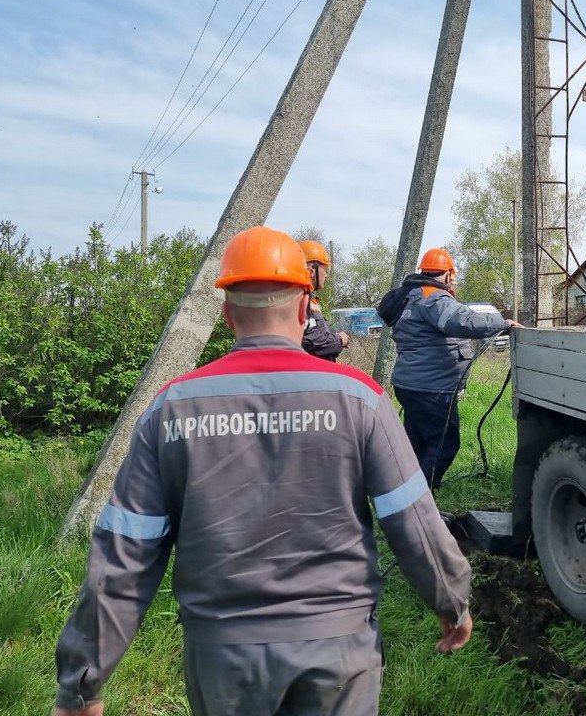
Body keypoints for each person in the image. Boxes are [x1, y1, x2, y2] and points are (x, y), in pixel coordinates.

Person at [52, 226, 473, 716]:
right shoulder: (360, 399)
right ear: (303, 308)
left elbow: (124, 553)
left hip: (222, 655)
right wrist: (450, 599)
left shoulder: (171, 409)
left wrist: (84, 679)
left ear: (228, 313)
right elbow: (412, 515)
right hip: (338, 651)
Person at [377, 248, 518, 489]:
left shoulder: (411, 295)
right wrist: (502, 323)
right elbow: (463, 321)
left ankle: (402, 493)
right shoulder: (434, 298)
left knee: (417, 443)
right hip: (431, 389)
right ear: (449, 274)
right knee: (445, 445)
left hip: (411, 385)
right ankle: (420, 500)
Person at [299, 239, 349, 362]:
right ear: (311, 270)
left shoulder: (309, 299)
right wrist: (338, 340)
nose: (326, 275)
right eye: (324, 269)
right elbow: (308, 339)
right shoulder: (299, 299)